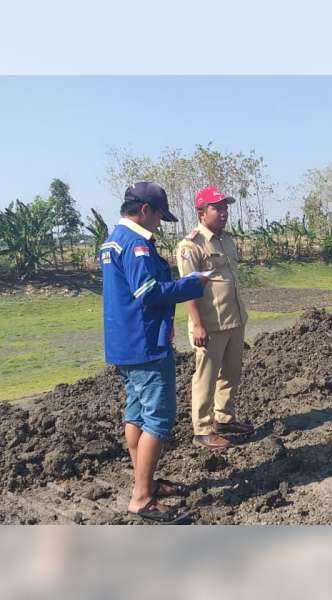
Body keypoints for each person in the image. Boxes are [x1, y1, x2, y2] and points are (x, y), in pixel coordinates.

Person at [100, 181, 207, 523]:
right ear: (144, 210)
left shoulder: (112, 240)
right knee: (158, 419)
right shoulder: (135, 245)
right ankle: (142, 498)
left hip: (124, 342)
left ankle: (145, 481)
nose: (160, 222)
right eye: (159, 215)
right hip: (144, 344)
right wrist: (192, 284)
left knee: (136, 413)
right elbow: (148, 292)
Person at [176, 186, 253, 449]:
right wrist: (197, 325)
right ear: (201, 212)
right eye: (217, 208)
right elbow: (188, 289)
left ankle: (225, 418)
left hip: (234, 319)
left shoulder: (227, 240)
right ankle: (202, 429)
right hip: (210, 325)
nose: (223, 213)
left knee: (231, 373)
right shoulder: (191, 245)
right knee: (205, 378)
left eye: (225, 208)